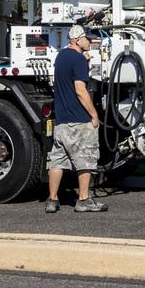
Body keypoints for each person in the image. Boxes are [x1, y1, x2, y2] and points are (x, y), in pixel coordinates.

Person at [46, 25, 106, 213]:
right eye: (87, 38)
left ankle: (52, 200)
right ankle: (84, 199)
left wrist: (84, 63)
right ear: (77, 40)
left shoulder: (61, 56)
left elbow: (67, 78)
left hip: (62, 120)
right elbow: (80, 90)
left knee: (57, 161)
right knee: (85, 159)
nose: (90, 41)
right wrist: (94, 115)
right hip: (78, 120)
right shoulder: (78, 59)